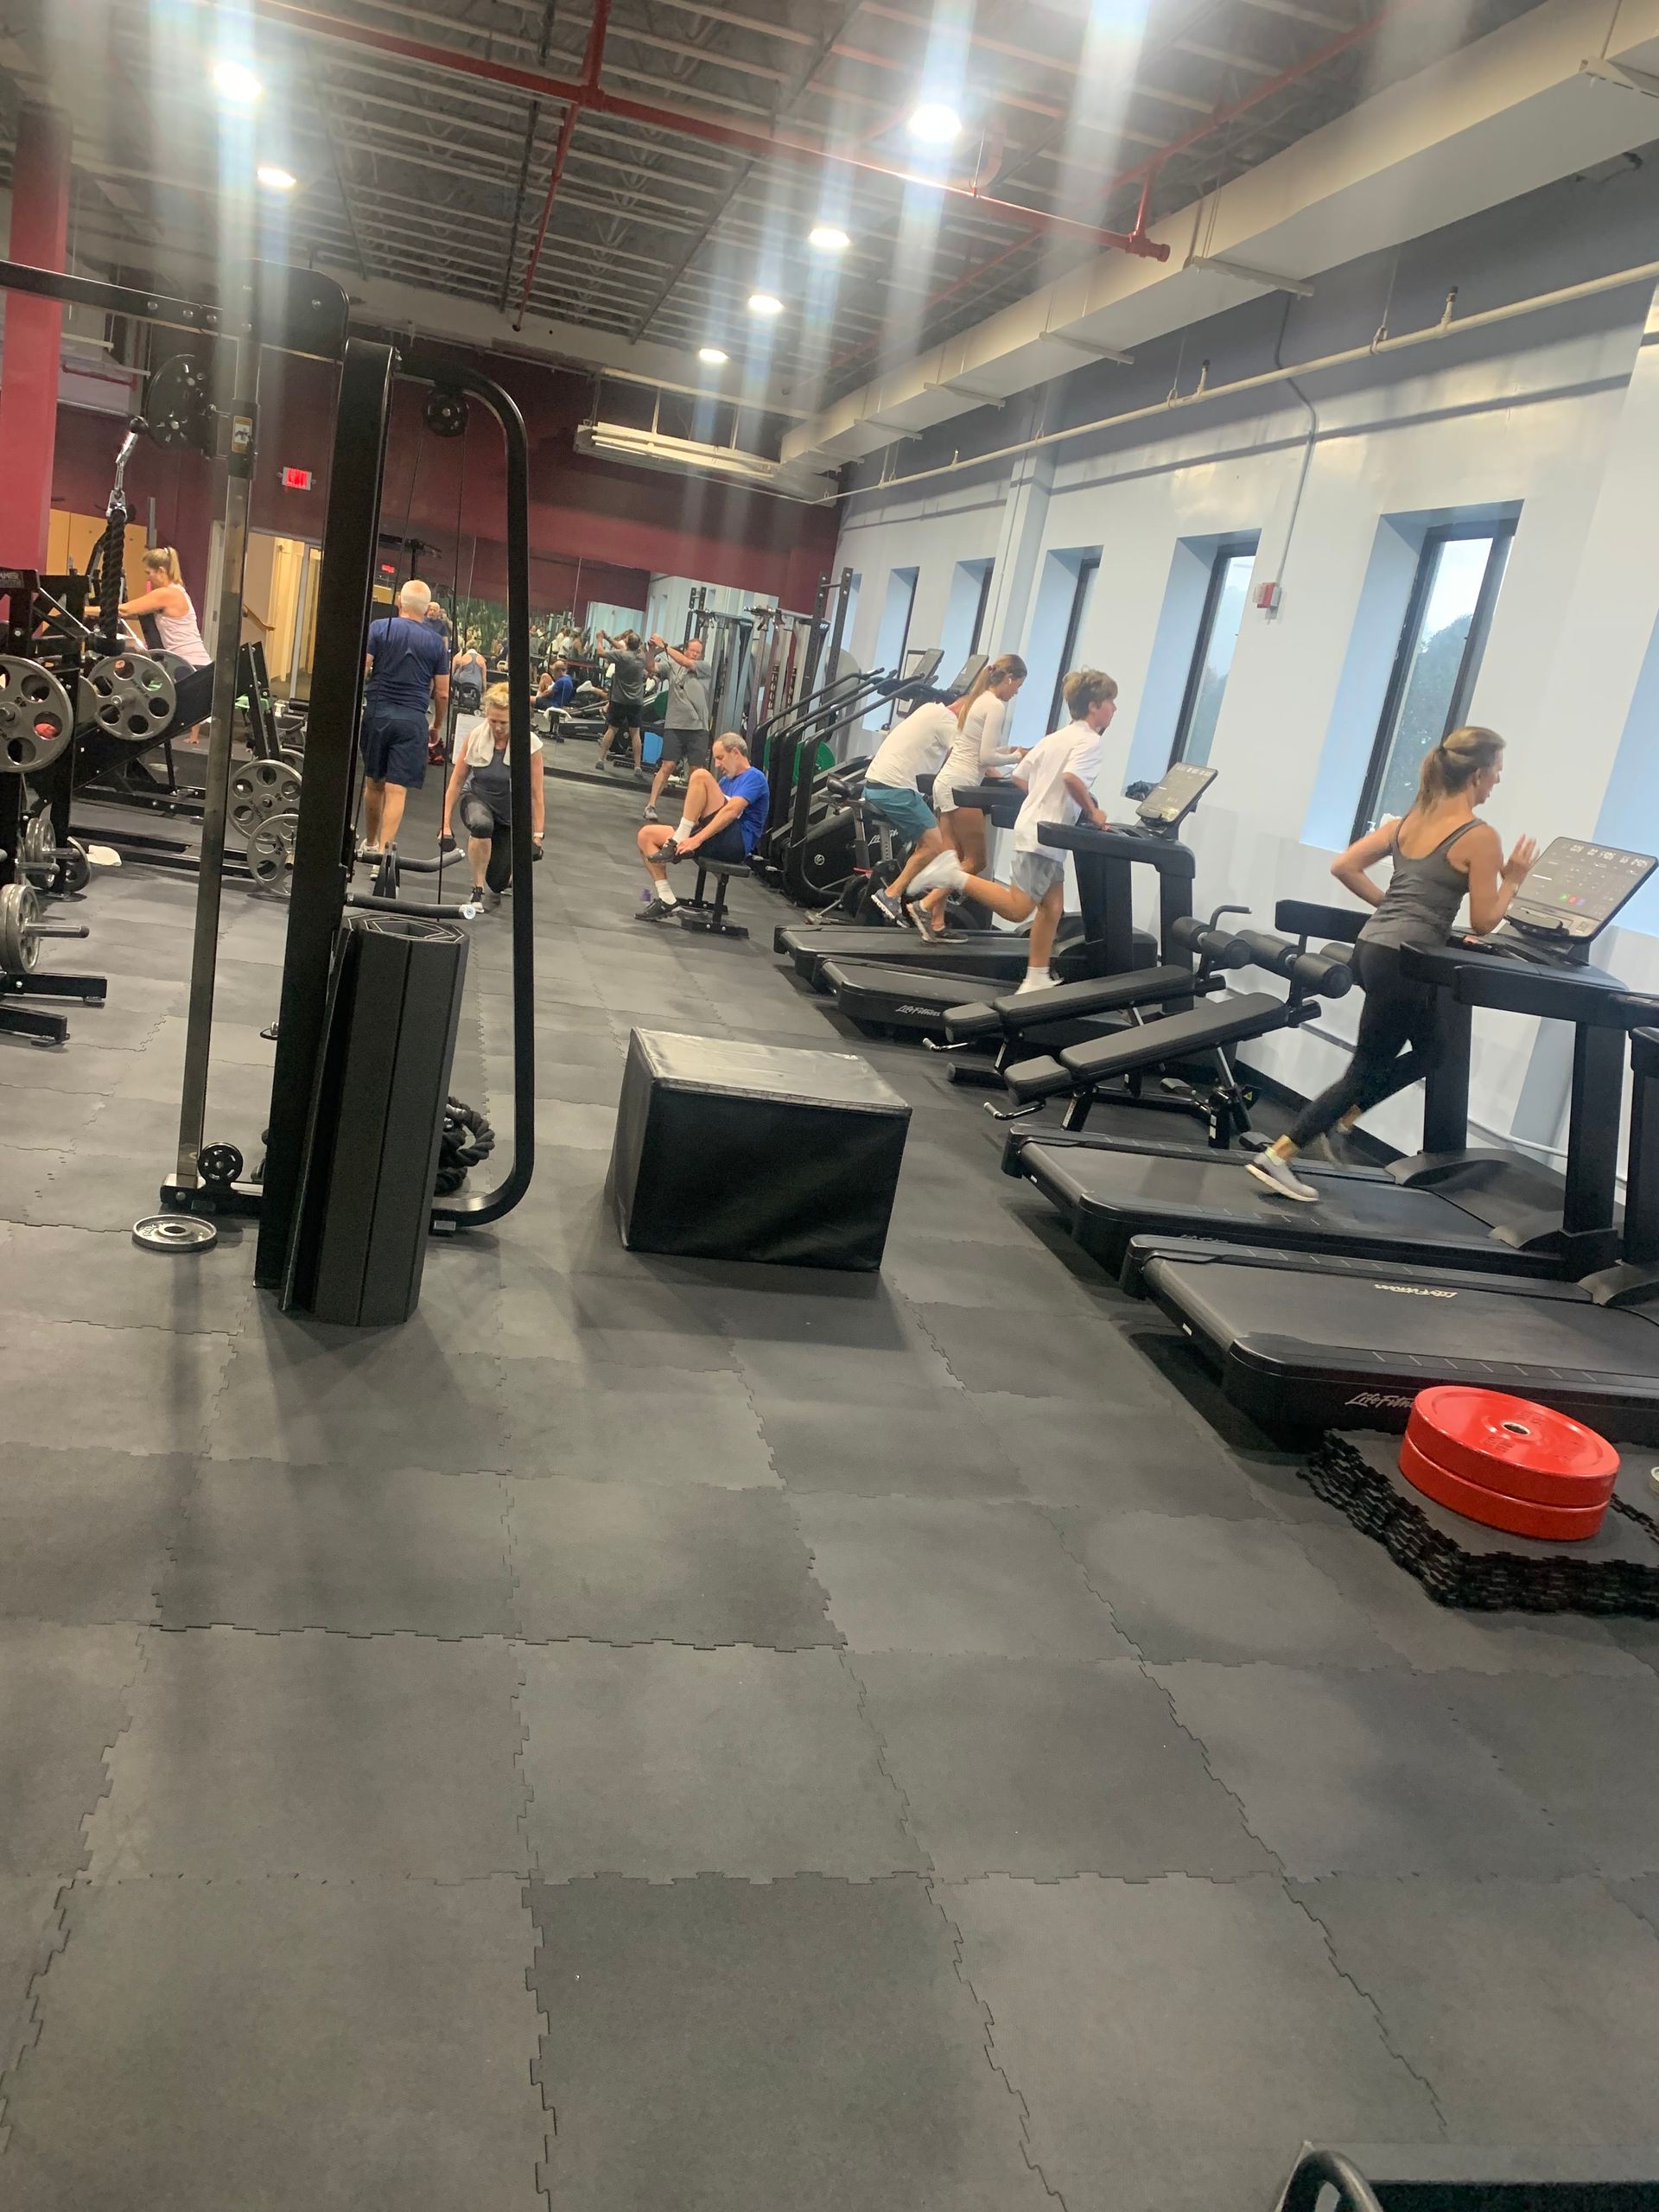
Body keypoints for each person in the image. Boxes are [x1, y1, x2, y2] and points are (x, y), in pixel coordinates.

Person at [1246, 726, 1537, 1203]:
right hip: (1406, 962)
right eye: (1498, 772)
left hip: (1373, 950)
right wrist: (1514, 880)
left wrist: (1395, 909)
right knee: (1366, 1065)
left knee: (1433, 1052)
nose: (1498, 782)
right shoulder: (1481, 837)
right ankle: (1280, 1153)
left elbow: (1343, 865)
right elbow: (1485, 921)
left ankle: (1342, 1116)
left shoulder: (1410, 821)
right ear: (1478, 774)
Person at [907, 668, 1119, 993]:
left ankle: (1036, 977)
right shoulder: (1090, 742)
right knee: (1018, 907)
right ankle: (953, 876)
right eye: (1110, 702)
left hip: (1040, 830)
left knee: (1051, 907)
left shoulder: (1057, 737)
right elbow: (1072, 779)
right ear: (1093, 706)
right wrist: (1092, 811)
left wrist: (1046, 797)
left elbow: (1020, 778)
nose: (1114, 709)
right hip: (1045, 837)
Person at [925, 653, 1027, 923]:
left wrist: (1012, 751)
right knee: (975, 861)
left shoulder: (978, 699)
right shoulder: (995, 705)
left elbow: (979, 748)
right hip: (962, 786)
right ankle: (924, 905)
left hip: (945, 782)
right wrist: (1018, 757)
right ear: (1009, 678)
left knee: (952, 859)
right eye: (1018, 686)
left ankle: (936, 922)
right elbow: (986, 757)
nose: (1016, 693)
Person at [633, 731, 769, 920]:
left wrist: (695, 839)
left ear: (736, 753)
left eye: (720, 758)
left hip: (735, 843)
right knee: (646, 835)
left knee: (700, 775)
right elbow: (701, 816)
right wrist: (691, 835)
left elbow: (730, 812)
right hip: (715, 835)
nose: (717, 764)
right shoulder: (725, 781)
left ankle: (678, 838)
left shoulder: (755, 777)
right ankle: (667, 899)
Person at [360, 578, 450, 852]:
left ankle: (372, 842)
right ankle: (382, 856)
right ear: (426, 611)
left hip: (377, 714)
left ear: (399, 602)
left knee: (374, 784)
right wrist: (436, 724)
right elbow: (443, 693)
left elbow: (362, 669)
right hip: (412, 720)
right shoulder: (436, 643)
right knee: (397, 790)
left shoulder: (378, 628)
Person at [440, 681, 545, 911]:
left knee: (497, 882)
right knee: (481, 825)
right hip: (477, 798)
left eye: (504, 723)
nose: (497, 727)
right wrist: (445, 824)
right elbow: (456, 783)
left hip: (509, 814)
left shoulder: (531, 747)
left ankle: (494, 880)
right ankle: (476, 891)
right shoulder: (475, 737)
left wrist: (537, 835)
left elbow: (536, 794)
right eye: (493, 721)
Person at [857, 694, 962, 924]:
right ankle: (892, 894)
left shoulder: (928, 708)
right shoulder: (948, 720)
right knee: (936, 845)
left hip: (876, 785)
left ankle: (921, 903)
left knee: (929, 843)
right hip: (896, 790)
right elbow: (962, 758)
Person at [644, 632, 714, 823]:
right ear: (686, 650)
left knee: (696, 771)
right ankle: (650, 806)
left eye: (698, 652)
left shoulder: (704, 667)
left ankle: (693, 814)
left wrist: (664, 645)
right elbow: (650, 667)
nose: (695, 655)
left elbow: (687, 663)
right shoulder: (672, 665)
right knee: (668, 765)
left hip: (698, 727)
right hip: (675, 724)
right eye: (692, 650)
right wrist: (651, 650)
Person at [115, 547, 212, 670]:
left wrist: (85, 610)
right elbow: (133, 613)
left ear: (160, 571)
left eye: (149, 573)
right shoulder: (178, 591)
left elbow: (124, 610)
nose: (148, 578)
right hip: (192, 665)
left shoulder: (167, 594)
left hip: (189, 666)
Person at [594, 627, 648, 775]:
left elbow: (600, 653)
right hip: (635, 702)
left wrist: (600, 639)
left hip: (619, 700)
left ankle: (600, 759)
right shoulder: (642, 657)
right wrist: (608, 637)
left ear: (627, 643)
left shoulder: (621, 656)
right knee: (635, 733)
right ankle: (637, 766)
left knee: (612, 729)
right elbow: (622, 646)